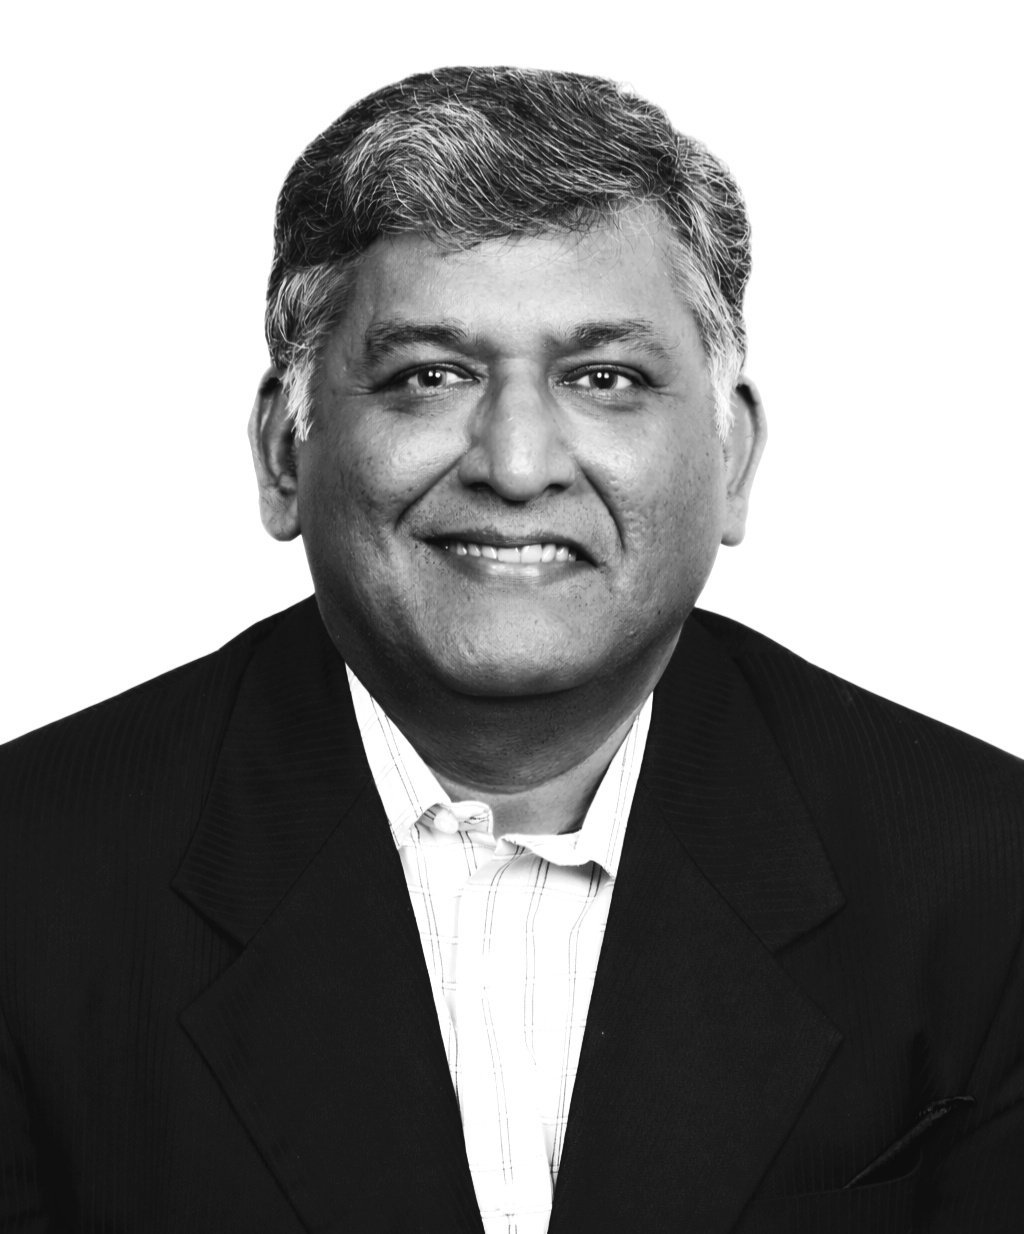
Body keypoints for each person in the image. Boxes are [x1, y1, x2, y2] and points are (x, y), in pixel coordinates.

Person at [1, 65, 1021, 1234]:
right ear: (287, 452)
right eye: (430, 376)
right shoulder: (30, 882)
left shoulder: (982, 880)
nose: (519, 461)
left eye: (605, 377)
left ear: (731, 456)